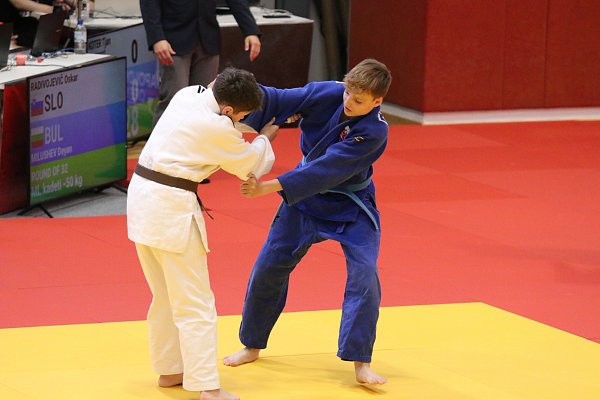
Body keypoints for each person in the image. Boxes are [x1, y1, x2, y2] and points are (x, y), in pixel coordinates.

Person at [223, 58, 392, 385]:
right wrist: (230, 92)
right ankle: (252, 343)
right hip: (303, 202)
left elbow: (327, 169)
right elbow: (278, 98)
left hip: (351, 204)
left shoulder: (375, 131)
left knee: (365, 275)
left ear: (377, 101)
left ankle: (361, 361)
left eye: (358, 100)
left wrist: (267, 187)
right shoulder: (329, 93)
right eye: (348, 93)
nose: (348, 101)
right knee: (269, 266)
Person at [127, 67, 279, 400]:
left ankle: (170, 369)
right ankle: (206, 386)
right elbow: (249, 165)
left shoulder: (188, 94)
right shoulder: (216, 126)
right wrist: (266, 137)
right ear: (229, 109)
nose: (239, 122)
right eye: (240, 116)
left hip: (142, 200)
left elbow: (221, 128)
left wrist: (239, 126)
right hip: (171, 210)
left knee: (164, 295)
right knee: (196, 303)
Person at [140, 0, 262, 127]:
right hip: (173, 40)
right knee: (173, 100)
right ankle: (162, 139)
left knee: (208, 100)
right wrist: (157, 38)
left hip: (208, 37)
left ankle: (200, 139)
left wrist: (250, 30)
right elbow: (149, 3)